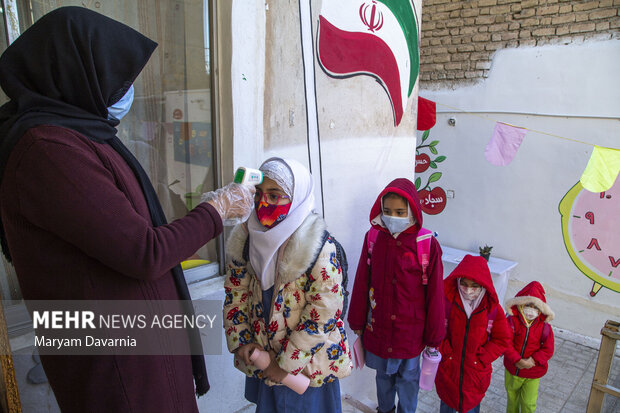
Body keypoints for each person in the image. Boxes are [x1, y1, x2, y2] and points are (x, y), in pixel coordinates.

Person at [0, 7, 253, 413]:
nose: (125, 93)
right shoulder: (47, 151)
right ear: (76, 73)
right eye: (116, 81)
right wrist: (216, 210)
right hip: (116, 365)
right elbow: (144, 251)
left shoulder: (81, 134)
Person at [223, 157, 352, 412]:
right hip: (261, 355)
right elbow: (235, 293)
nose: (264, 203)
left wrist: (283, 365)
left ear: (297, 197)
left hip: (306, 366)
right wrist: (242, 340)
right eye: (259, 194)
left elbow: (324, 312)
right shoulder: (247, 238)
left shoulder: (318, 246)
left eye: (275, 195)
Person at [347, 178, 445, 413]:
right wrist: (357, 321)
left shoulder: (427, 244)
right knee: (383, 376)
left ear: (412, 211)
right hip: (379, 329)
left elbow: (435, 295)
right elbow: (362, 280)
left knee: (409, 379)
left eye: (400, 212)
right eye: (388, 211)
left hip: (410, 333)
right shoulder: (373, 238)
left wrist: (434, 336)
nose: (394, 217)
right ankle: (385, 409)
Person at [436, 255, 512, 413]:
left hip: (475, 375)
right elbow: (435, 329)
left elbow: (503, 338)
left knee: (471, 406)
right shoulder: (447, 303)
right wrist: (446, 351)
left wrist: (483, 357)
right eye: (464, 284)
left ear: (483, 285)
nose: (468, 290)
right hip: (449, 370)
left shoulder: (492, 309)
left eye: (474, 285)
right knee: (447, 405)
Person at [503, 281, 555, 413]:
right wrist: (517, 360)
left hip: (533, 371)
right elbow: (505, 342)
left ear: (541, 309)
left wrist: (531, 361)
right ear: (520, 304)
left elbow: (548, 349)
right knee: (512, 399)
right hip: (512, 369)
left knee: (528, 403)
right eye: (528, 305)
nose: (531, 310)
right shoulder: (511, 322)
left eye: (535, 307)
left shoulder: (544, 327)